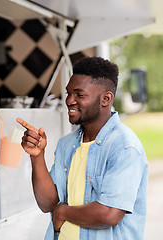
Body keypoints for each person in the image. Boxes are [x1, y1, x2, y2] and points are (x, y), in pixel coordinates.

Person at [17, 57, 148, 240]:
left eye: (80, 94)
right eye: (68, 93)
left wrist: (63, 212)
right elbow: (48, 204)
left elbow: (110, 213)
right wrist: (37, 157)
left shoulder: (124, 147)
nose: (69, 100)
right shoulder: (66, 144)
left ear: (106, 99)